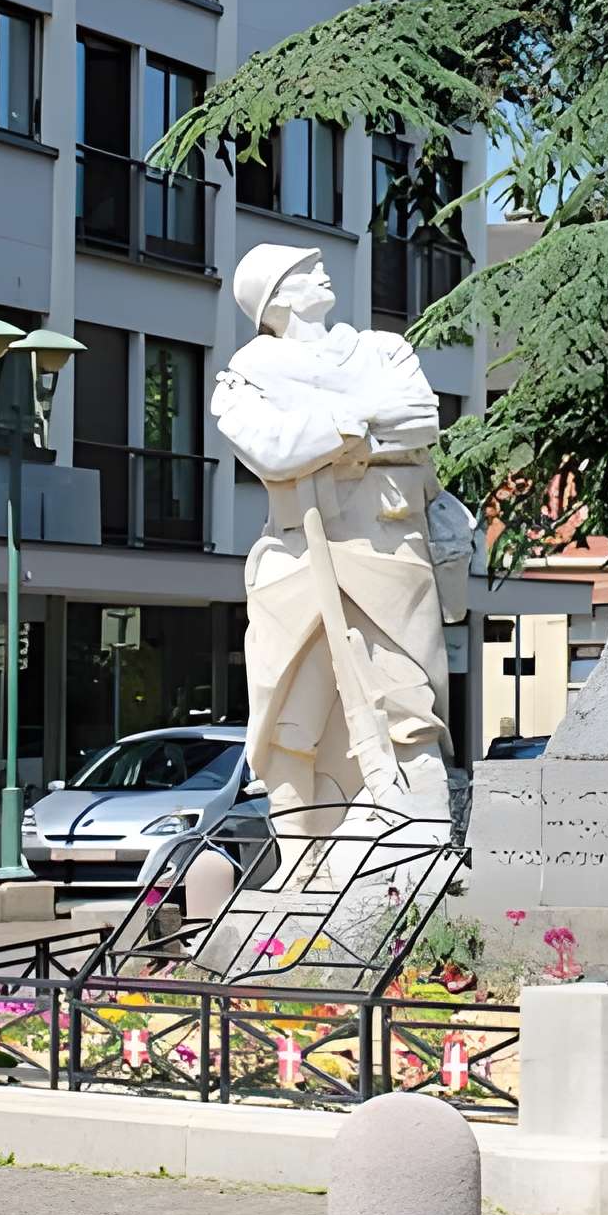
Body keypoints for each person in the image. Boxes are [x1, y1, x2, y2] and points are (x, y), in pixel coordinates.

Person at [210, 244, 453, 830]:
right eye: (303, 270)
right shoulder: (245, 375)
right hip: (296, 557)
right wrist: (360, 424)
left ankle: (420, 840)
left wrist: (324, 438)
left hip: (389, 551)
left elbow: (422, 417)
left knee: (406, 702)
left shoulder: (381, 349)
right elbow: (272, 451)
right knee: (291, 712)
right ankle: (302, 859)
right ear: (275, 298)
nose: (321, 271)